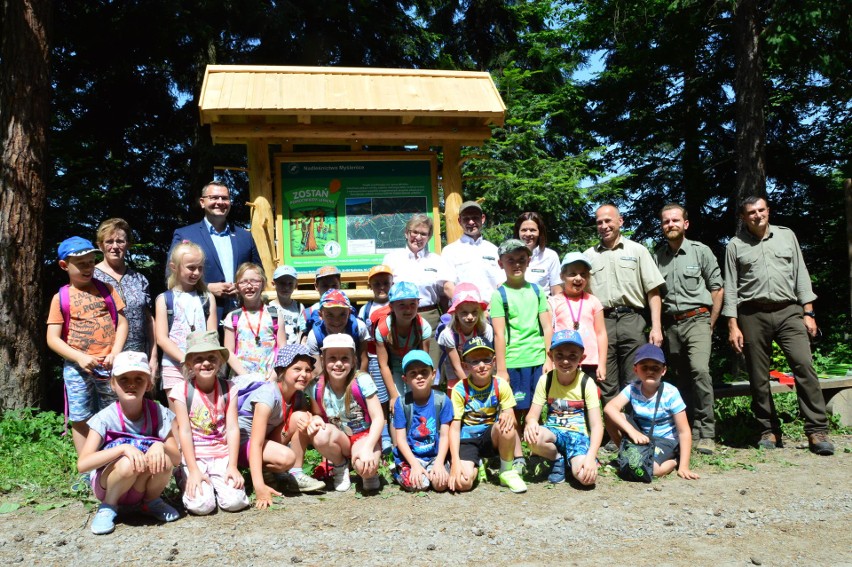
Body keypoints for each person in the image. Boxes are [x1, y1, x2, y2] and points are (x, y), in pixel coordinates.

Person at [723, 196, 834, 455]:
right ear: (743, 217)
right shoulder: (735, 246)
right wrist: (732, 325)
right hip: (752, 314)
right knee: (758, 377)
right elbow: (730, 287)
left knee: (804, 365)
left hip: (789, 311)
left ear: (768, 211)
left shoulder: (787, 236)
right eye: (751, 212)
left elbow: (801, 273)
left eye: (761, 210)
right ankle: (768, 430)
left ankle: (817, 430)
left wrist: (809, 312)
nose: (757, 215)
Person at [584, 204, 665, 445]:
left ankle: (634, 433)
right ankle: (612, 437)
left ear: (620, 221)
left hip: (633, 319)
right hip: (603, 321)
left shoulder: (637, 251)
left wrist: (657, 326)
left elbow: (653, 290)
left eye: (608, 221)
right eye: (599, 222)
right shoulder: (589, 256)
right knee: (606, 380)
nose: (604, 226)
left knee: (634, 379)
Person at [77, 351, 180, 534]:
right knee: (127, 463)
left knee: (164, 459)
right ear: (113, 384)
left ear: (148, 384)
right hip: (110, 484)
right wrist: (123, 449)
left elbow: (176, 459)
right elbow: (83, 464)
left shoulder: (158, 412)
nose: (131, 384)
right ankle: (108, 506)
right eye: (124, 379)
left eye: (139, 378)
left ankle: (150, 503)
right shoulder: (105, 418)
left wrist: (160, 445)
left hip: (140, 486)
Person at [46, 236, 128, 458]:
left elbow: (122, 323)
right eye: (81, 263)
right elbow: (52, 339)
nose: (87, 267)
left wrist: (115, 352)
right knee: (80, 417)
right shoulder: (60, 298)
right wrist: (79, 357)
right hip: (77, 369)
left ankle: (111, 461)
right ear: (64, 266)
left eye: (91, 262)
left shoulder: (107, 290)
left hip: (108, 365)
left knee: (112, 413)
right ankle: (86, 467)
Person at [654, 203, 723, 455]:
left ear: (685, 224)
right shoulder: (658, 257)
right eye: (665, 221)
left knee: (700, 371)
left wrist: (710, 323)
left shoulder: (700, 251)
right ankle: (686, 429)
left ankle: (706, 433)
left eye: (675, 220)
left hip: (698, 320)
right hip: (671, 324)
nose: (670, 224)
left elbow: (717, 288)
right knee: (680, 378)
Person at [170, 331, 249, 515]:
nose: (206, 363)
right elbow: (185, 432)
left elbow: (232, 428)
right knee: (202, 506)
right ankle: (185, 476)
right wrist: (193, 469)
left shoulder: (229, 388)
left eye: (211, 358)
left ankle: (216, 481)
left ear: (220, 361)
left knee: (235, 502)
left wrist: (233, 466)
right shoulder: (181, 391)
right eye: (198, 359)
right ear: (189, 364)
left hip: (222, 456)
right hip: (195, 456)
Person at [237, 346, 323, 509]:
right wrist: (259, 487)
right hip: (244, 444)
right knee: (286, 458)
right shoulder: (267, 395)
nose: (303, 375)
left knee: (301, 417)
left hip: (265, 441)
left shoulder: (297, 395)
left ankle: (295, 474)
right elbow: (256, 443)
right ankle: (262, 474)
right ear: (282, 371)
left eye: (307, 370)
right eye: (297, 369)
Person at [603, 344, 700, 480]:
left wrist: (684, 466)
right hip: (641, 434)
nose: (650, 371)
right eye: (644, 367)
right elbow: (609, 408)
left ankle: (674, 461)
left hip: (665, 439)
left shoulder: (671, 393)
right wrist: (632, 431)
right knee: (611, 416)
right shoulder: (632, 388)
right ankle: (626, 453)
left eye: (655, 367)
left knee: (652, 469)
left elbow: (684, 431)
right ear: (635, 370)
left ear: (663, 370)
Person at [170, 180, 261, 322]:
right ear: (202, 202)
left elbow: (259, 273)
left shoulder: (245, 237)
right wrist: (206, 288)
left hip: (243, 317)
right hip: (200, 316)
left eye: (224, 198)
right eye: (214, 197)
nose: (220, 202)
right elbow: (171, 276)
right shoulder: (185, 235)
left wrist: (243, 287)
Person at [307, 334, 385, 493]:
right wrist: (314, 418)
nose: (338, 363)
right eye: (332, 358)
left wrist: (369, 447)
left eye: (344, 358)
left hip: (363, 436)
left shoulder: (362, 381)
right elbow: (317, 413)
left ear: (353, 360)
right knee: (318, 434)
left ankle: (367, 470)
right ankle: (340, 465)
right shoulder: (318, 387)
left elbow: (378, 418)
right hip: (340, 438)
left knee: (366, 468)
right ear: (323, 360)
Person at [524, 330, 603, 486]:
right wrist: (531, 422)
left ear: (582, 358)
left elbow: (597, 426)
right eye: (559, 355)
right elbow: (532, 415)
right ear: (551, 355)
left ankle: (575, 461)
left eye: (572, 356)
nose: (565, 361)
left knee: (587, 479)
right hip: (553, 433)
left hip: (577, 437)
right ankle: (557, 459)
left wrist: (590, 457)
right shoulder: (545, 380)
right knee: (532, 436)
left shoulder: (587, 383)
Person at [447, 337, 526, 493]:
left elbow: (510, 412)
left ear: (494, 361)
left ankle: (506, 471)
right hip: (467, 439)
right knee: (463, 484)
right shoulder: (459, 389)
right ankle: (476, 466)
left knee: (507, 424)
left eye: (486, 360)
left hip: (490, 436)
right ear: (465, 366)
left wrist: (506, 413)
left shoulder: (500, 384)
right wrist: (455, 462)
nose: (482, 365)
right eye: (475, 362)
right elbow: (454, 428)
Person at [491, 239, 553, 421]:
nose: (517, 264)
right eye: (510, 260)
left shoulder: (537, 291)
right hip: (513, 362)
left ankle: (537, 448)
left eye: (521, 259)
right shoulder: (499, 295)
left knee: (537, 410)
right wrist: (501, 369)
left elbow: (547, 326)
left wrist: (549, 359)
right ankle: (516, 450)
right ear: (501, 264)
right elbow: (499, 334)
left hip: (537, 359)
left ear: (529, 261)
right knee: (514, 412)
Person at [382, 214, 455, 367]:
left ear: (429, 237)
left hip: (430, 316)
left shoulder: (436, 260)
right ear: (406, 233)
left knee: (431, 367)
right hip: (401, 318)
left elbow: (446, 290)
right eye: (414, 232)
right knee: (404, 368)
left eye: (424, 234)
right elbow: (385, 290)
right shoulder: (392, 259)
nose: (418, 237)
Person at [155, 241, 218, 407]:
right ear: (174, 267)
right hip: (174, 367)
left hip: (203, 366)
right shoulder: (164, 299)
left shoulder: (207, 297)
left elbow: (212, 334)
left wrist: (199, 361)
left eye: (200, 268)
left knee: (203, 415)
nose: (196, 272)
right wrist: (185, 360)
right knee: (178, 419)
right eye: (191, 267)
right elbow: (162, 338)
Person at [94, 218, 157, 375]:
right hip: (105, 359)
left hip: (138, 358)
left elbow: (149, 320)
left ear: (128, 244)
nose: (115, 246)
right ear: (100, 245)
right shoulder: (91, 278)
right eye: (109, 241)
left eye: (120, 241)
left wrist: (154, 357)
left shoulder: (139, 279)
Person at [391, 351, 452, 492]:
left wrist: (439, 462)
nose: (419, 376)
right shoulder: (401, 403)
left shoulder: (442, 400)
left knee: (440, 485)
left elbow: (444, 435)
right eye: (413, 373)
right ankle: (398, 468)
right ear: (405, 379)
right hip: (411, 457)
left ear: (433, 374)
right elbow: (400, 439)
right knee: (419, 486)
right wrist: (414, 465)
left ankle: (435, 468)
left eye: (424, 372)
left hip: (434, 455)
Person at [548, 252, 607, 383]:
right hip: (563, 361)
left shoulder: (594, 301)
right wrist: (550, 361)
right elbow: (549, 333)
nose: (578, 278)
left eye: (583, 274)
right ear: (562, 276)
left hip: (589, 361)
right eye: (572, 274)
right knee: (562, 398)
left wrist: (601, 363)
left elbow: (601, 333)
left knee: (587, 399)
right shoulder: (553, 302)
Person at [223, 262, 287, 378]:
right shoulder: (233, 317)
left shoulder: (275, 314)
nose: (249, 286)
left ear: (263, 284)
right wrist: (246, 377)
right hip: (242, 379)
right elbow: (228, 351)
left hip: (269, 378)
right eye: (243, 282)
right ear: (237, 287)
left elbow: (283, 348)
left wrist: (273, 376)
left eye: (254, 281)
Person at [375, 281, 432, 406]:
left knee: (417, 402)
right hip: (393, 369)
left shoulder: (424, 327)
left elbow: (423, 362)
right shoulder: (383, 329)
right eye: (402, 305)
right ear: (391, 306)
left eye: (412, 304)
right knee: (397, 405)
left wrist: (419, 390)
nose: (408, 309)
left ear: (418, 304)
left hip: (414, 369)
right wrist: (394, 396)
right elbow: (383, 365)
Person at [358, 264, 394, 446]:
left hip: (395, 357)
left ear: (391, 283)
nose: (381, 287)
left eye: (385, 283)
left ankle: (396, 427)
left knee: (395, 393)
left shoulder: (398, 304)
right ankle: (384, 431)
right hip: (373, 358)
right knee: (379, 394)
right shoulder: (365, 310)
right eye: (377, 283)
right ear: (370, 285)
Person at [441, 200, 505, 302]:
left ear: (483, 219)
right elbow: (448, 287)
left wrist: (491, 308)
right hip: (463, 312)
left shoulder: (494, 250)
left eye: (475, 217)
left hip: (492, 311)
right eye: (466, 218)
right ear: (459, 221)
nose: (471, 222)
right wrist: (468, 308)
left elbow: (501, 283)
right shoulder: (449, 251)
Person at [437, 286, 493, 390]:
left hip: (479, 367)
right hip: (457, 371)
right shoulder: (449, 334)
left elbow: (488, 358)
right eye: (464, 312)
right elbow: (456, 367)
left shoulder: (486, 329)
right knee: (457, 395)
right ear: (456, 313)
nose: (470, 317)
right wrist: (470, 387)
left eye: (474, 312)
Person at [306, 289, 369, 369]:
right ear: (320, 315)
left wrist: (361, 379)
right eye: (330, 315)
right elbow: (317, 370)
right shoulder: (314, 336)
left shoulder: (359, 327)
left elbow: (364, 360)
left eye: (342, 314)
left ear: (349, 313)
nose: (336, 321)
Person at [514, 211, 562, 295]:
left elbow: (556, 290)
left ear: (540, 232)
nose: (528, 234)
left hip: (541, 306)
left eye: (532, 230)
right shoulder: (508, 256)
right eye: (524, 230)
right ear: (518, 232)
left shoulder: (550, 256)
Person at [269, 265, 304, 345]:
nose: (286, 287)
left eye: (290, 283)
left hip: (296, 351)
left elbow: (302, 330)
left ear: (295, 285)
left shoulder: (299, 307)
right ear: (273, 284)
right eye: (282, 283)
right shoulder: (269, 307)